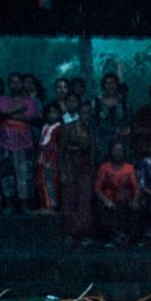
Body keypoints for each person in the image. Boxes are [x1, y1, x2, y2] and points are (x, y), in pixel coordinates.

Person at [0, 73, 40, 214]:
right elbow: (3, 110)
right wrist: (19, 109)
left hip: (24, 141)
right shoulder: (2, 99)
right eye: (12, 82)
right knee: (7, 173)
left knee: (24, 172)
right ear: (9, 85)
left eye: (18, 82)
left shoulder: (30, 101)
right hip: (5, 140)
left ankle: (24, 204)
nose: (16, 85)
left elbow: (30, 115)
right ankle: (9, 204)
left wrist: (10, 114)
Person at [54, 90, 95, 245]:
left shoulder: (91, 130)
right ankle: (69, 234)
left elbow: (92, 152)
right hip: (70, 165)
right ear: (79, 113)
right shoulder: (69, 128)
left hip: (84, 166)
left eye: (88, 112)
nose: (86, 115)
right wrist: (62, 171)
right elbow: (61, 150)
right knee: (69, 199)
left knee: (83, 200)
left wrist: (91, 172)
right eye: (83, 112)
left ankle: (82, 233)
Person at [93, 138, 138, 246]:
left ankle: (124, 236)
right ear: (111, 152)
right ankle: (115, 235)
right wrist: (106, 201)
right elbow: (97, 189)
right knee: (107, 210)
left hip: (125, 200)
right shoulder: (104, 167)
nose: (118, 153)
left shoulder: (129, 168)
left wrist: (135, 201)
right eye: (116, 150)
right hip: (109, 200)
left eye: (120, 150)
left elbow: (136, 189)